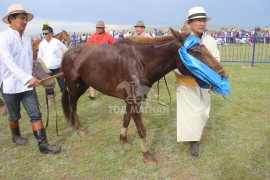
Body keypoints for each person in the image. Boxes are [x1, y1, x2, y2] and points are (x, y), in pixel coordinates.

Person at [0, 4, 61, 153]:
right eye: (22, 18)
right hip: (9, 85)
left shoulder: (27, 39)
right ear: (11, 19)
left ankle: (43, 145)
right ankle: (16, 136)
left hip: (27, 86)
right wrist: (27, 78)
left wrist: (37, 76)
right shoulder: (3, 38)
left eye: (26, 19)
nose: (25, 22)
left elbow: (30, 62)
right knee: (14, 115)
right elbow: (9, 63)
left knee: (35, 114)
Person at [174, 7, 220, 156]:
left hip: (204, 82)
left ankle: (194, 135)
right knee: (190, 113)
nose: (202, 23)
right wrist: (189, 71)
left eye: (204, 20)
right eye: (198, 20)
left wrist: (210, 75)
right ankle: (193, 141)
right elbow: (174, 63)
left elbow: (217, 60)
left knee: (202, 111)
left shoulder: (210, 41)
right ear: (191, 22)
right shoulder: (182, 40)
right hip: (186, 82)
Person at [38, 25, 67, 107]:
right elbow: (39, 57)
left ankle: (64, 97)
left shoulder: (57, 42)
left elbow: (66, 51)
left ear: (51, 33)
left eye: (46, 33)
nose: (44, 35)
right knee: (48, 85)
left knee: (62, 84)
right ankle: (50, 99)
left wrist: (63, 63)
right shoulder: (41, 44)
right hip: (47, 69)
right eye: (43, 34)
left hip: (58, 67)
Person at [86, 20, 114, 99]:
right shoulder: (92, 36)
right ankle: (92, 94)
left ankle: (106, 90)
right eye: (97, 27)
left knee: (106, 76)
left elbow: (114, 46)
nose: (98, 29)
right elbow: (87, 47)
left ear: (103, 28)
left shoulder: (108, 37)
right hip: (94, 60)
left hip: (106, 60)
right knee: (92, 76)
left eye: (99, 28)